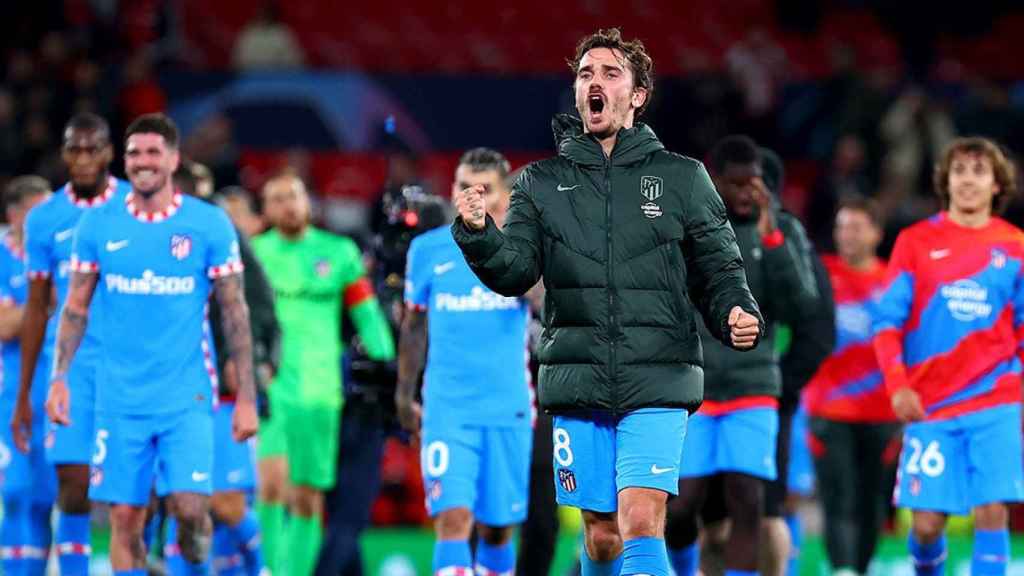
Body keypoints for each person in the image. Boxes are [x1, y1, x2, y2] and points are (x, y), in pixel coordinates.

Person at [451, 28, 763, 576]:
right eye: (585, 74)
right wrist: (479, 235)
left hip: (659, 374)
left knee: (641, 519)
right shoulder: (539, 184)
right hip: (579, 378)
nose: (594, 82)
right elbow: (515, 270)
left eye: (610, 73)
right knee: (600, 536)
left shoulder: (683, 178)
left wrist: (736, 310)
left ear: (638, 95)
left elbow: (720, 268)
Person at [44, 112, 260, 574]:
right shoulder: (98, 227)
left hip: (186, 397)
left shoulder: (208, 224)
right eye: (134, 153)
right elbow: (75, 308)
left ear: (173, 159)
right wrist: (59, 378)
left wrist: (245, 397)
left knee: (190, 510)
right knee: (124, 517)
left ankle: (188, 548)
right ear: (124, 161)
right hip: (118, 400)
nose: (142, 162)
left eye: (152, 153)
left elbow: (235, 311)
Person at [664, 135, 819, 576]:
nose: (749, 192)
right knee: (681, 506)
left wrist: (771, 240)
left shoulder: (781, 231)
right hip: (695, 387)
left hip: (754, 388)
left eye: (755, 182)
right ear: (716, 183)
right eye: (738, 183)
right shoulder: (687, 229)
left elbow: (801, 307)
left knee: (747, 499)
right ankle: (681, 568)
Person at [874, 137, 1024, 576]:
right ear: (946, 180)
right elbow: (886, 324)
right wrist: (897, 387)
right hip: (930, 404)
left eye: (979, 172)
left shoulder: (1016, 245)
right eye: (960, 171)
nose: (968, 181)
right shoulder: (915, 242)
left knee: (992, 511)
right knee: (924, 527)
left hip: (996, 400)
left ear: (997, 184)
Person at [397, 148, 532, 576]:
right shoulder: (426, 250)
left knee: (497, 530)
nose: (472, 196)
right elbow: (413, 328)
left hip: (507, 408)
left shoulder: (526, 248)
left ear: (505, 197)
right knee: (453, 519)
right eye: (462, 187)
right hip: (447, 409)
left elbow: (550, 304)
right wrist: (404, 394)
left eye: (485, 189)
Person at [252, 172, 395, 576]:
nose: (288, 205)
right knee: (272, 484)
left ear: (308, 203)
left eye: (293, 196)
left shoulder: (338, 252)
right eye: (277, 198)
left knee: (307, 496)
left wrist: (388, 364)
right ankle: (270, 569)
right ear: (266, 210)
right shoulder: (255, 254)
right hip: (272, 386)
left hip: (321, 390)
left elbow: (365, 314)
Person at [11, 112, 131, 575]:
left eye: (92, 148)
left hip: (129, 368)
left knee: (134, 494)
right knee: (74, 486)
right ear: (62, 154)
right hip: (70, 371)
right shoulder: (44, 220)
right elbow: (38, 307)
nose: (83, 159)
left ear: (108, 153)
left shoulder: (134, 206)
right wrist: (24, 393)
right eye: (74, 149)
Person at [175, 161, 278, 576]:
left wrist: (257, 361)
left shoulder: (222, 233)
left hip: (222, 391)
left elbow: (261, 305)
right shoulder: (142, 237)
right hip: (169, 391)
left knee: (226, 502)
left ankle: (259, 568)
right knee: (183, 505)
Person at [804, 195, 899, 576]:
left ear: (876, 234)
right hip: (829, 411)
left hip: (884, 413)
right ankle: (843, 570)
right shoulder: (818, 275)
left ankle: (861, 568)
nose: (847, 235)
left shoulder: (895, 282)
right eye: (842, 226)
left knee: (874, 502)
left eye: (857, 227)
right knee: (838, 499)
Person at [0, 176, 57, 575]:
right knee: (15, 492)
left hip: (53, 393)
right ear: (15, 216)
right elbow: (4, 324)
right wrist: (45, 300)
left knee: (46, 497)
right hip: (7, 394)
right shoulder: (2, 257)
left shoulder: (59, 258)